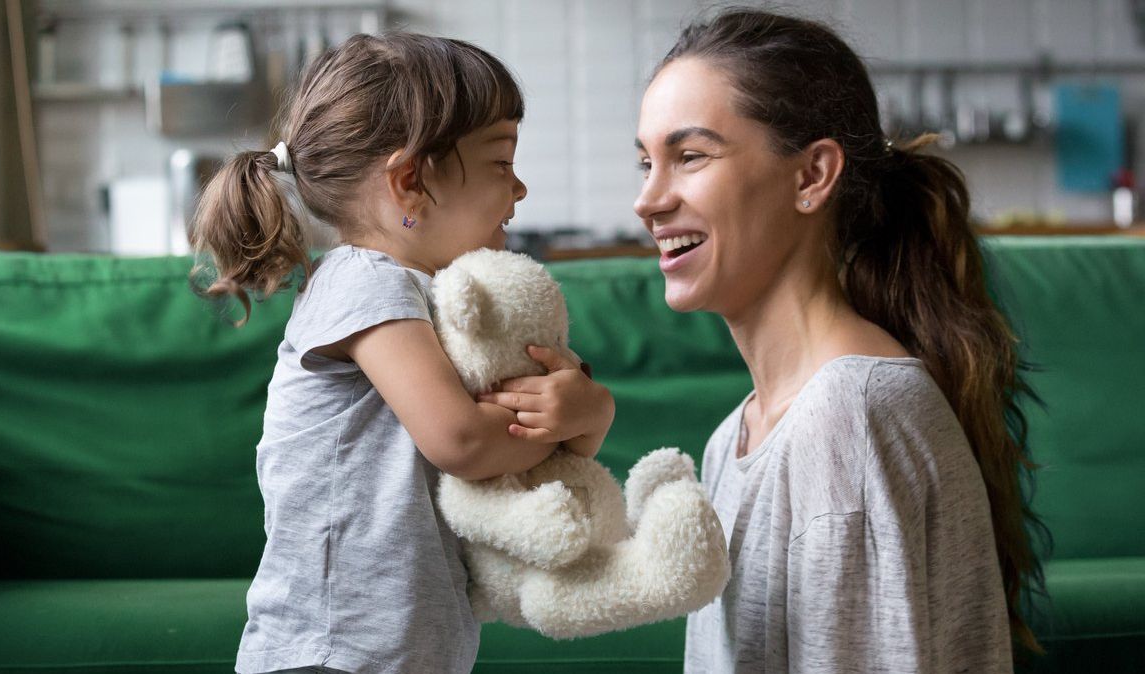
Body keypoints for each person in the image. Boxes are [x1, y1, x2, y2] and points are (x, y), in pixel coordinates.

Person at [631, 8, 1046, 672]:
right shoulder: (733, 438)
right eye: (647, 161)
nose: (647, 200)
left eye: (690, 156)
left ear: (811, 176)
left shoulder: (848, 417)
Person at [190, 32, 615, 674]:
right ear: (411, 180)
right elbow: (466, 443)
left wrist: (583, 414)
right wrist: (579, 418)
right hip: (330, 651)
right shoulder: (364, 281)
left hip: (405, 649)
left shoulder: (431, 295)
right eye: (502, 162)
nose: (520, 189)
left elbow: (507, 452)